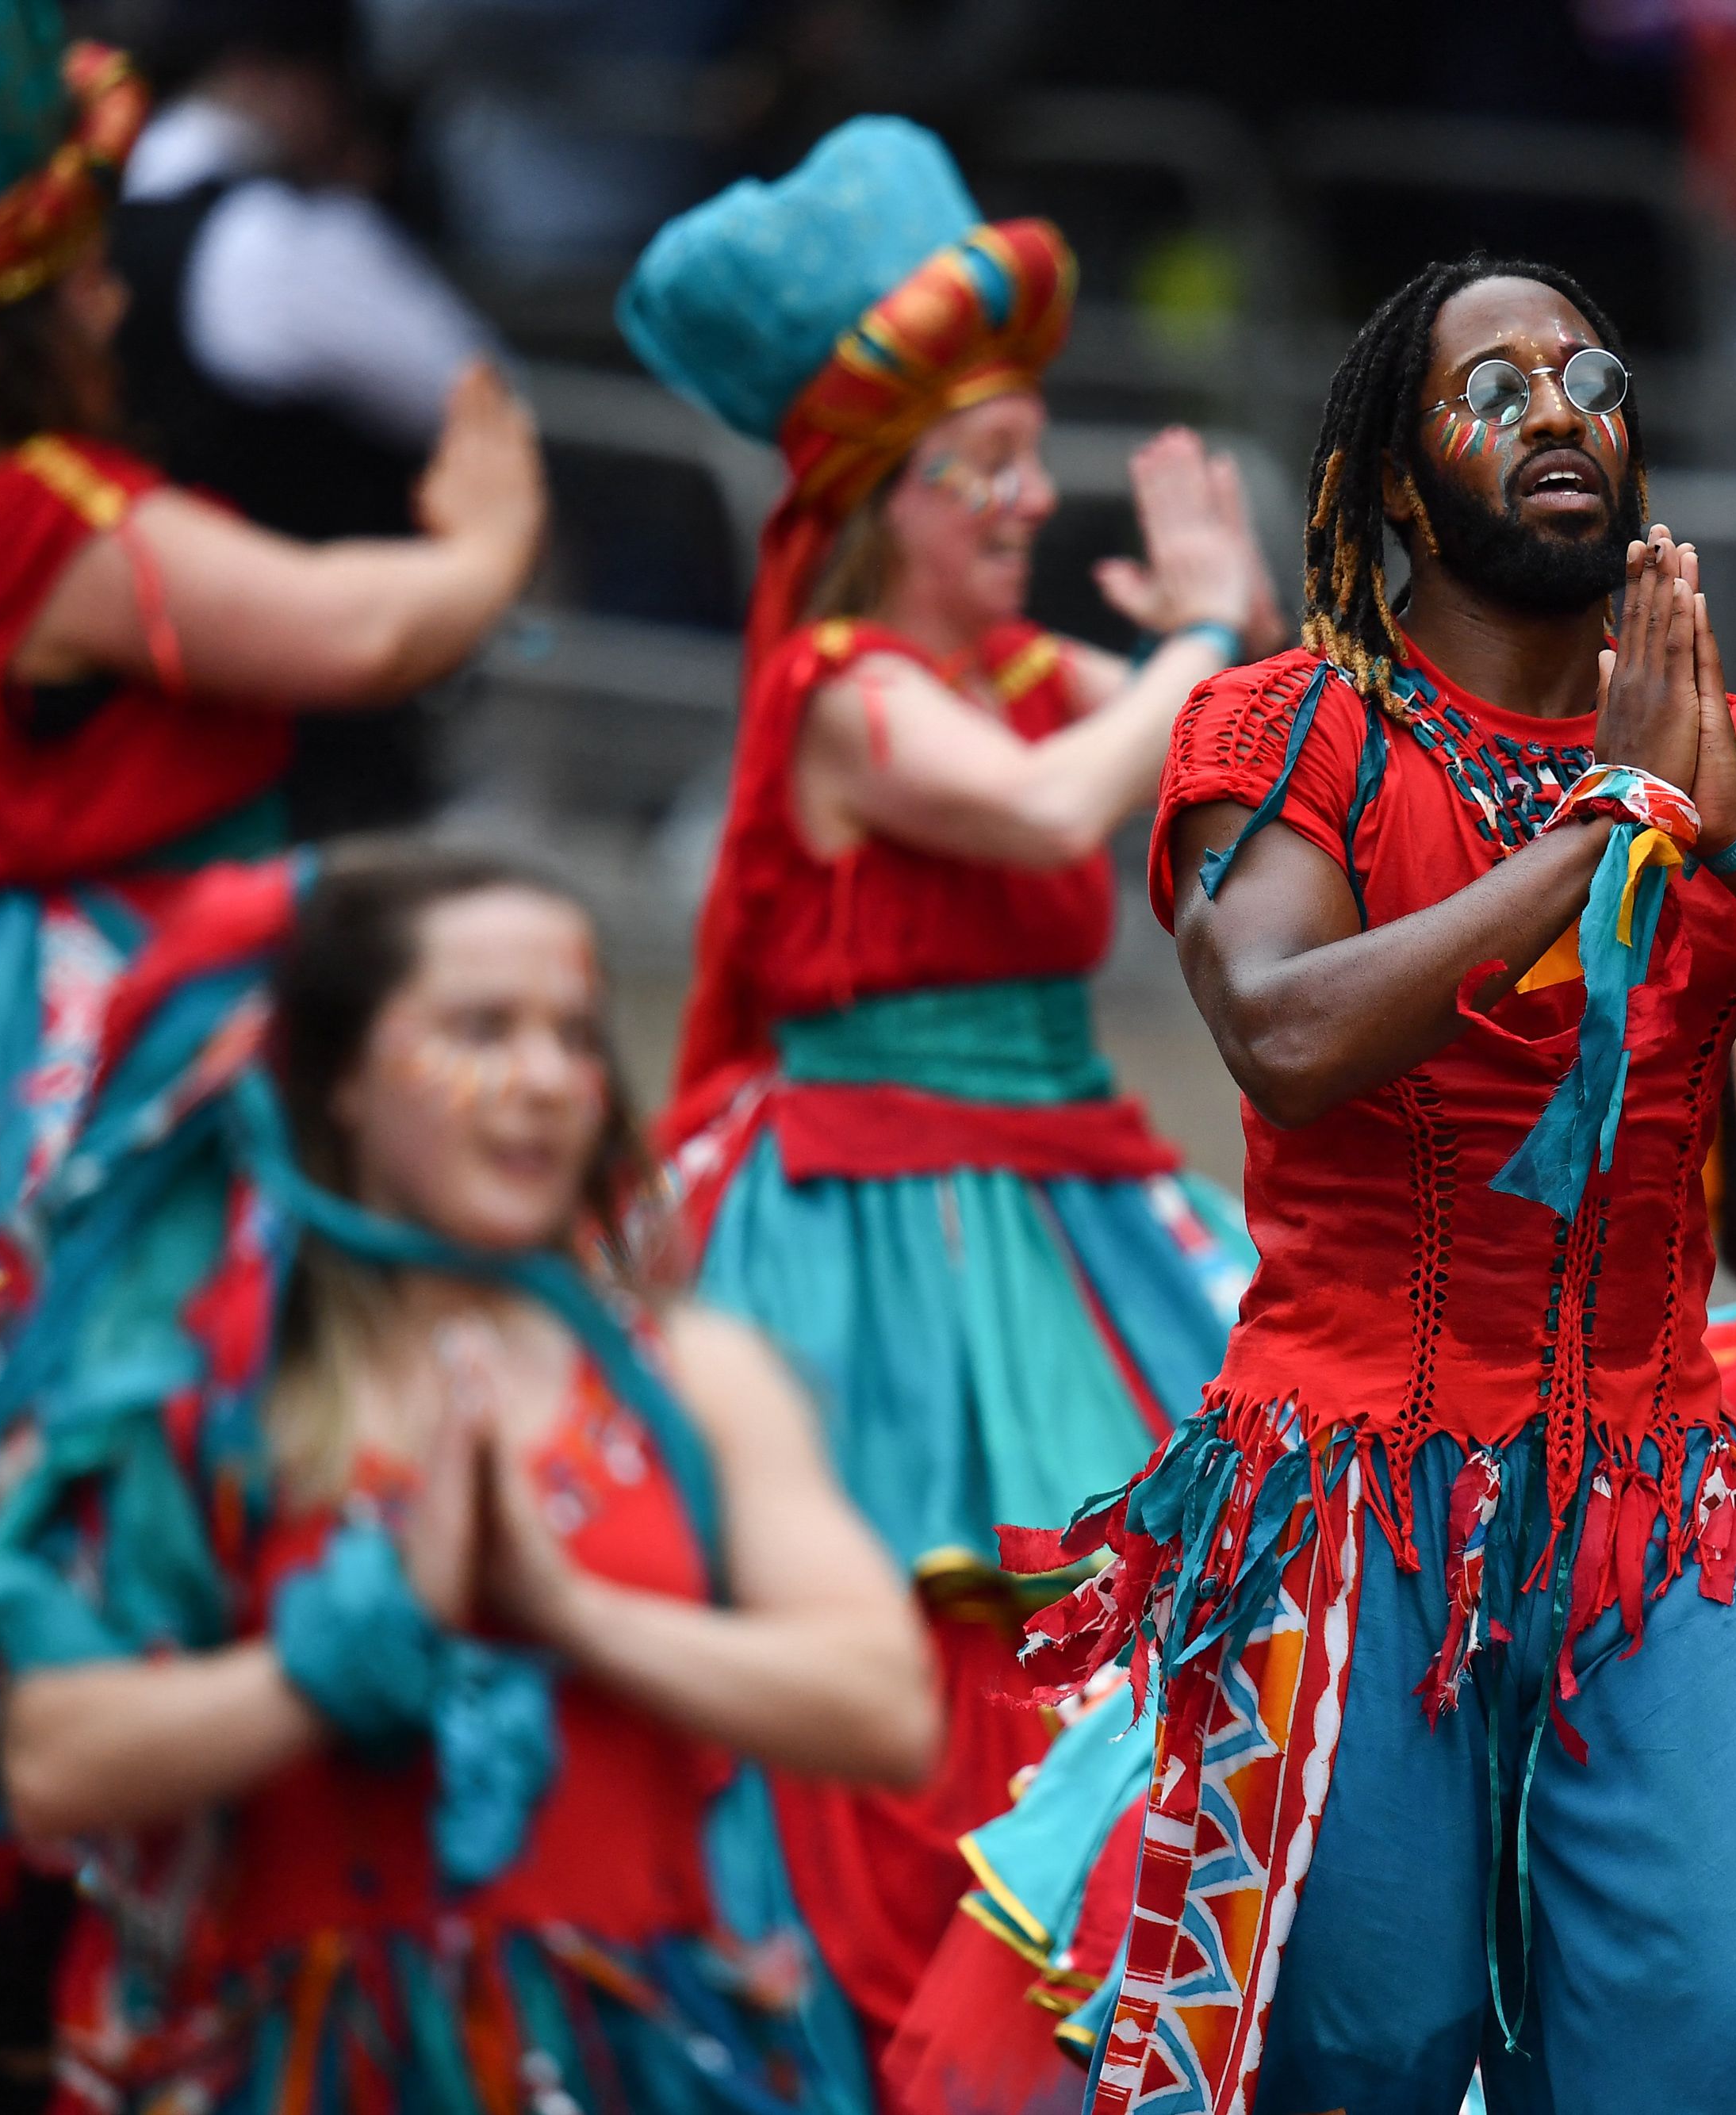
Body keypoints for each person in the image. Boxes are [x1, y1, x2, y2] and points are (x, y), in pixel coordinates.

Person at [1009, 249, 1736, 2113]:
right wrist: (1599, 838)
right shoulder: (1287, 731)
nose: (1559, 409)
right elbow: (1285, 1032)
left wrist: (1723, 830)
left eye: (1593, 374)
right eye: (1491, 390)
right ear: (1396, 483)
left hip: (1663, 1510)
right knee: (1356, 2056)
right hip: (1346, 1505)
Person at [0, 844, 930, 2113]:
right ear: (338, 1077)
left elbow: (886, 1702)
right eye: (479, 1027)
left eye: (573, 1033)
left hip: (641, 2059)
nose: (545, 1080)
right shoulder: (215, 1393)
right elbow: (53, 1761)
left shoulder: (695, 1373)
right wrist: (353, 1645)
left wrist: (572, 1608)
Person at [614, 118, 1274, 2061]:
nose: (1019, 497)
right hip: (858, 1207)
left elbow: (1211, 751)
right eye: (978, 469)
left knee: (1174, 1581)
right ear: (879, 495)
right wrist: (1201, 636)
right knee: (915, 1615)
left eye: (1024, 454)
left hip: (1055, 1178)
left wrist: (1225, 643)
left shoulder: (1017, 664)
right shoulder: (851, 689)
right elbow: (1061, 802)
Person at [0, 6, 542, 1443]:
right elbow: (352, 629)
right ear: (32, 322)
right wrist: (491, 536)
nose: (113, 306)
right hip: (80, 1017)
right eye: (90, 279)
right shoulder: (50, 516)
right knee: (113, 1378)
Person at [111, 0, 499, 837]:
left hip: (133, 718)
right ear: (271, 76)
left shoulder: (82, 216)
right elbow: (480, 395)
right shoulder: (281, 233)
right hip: (294, 731)